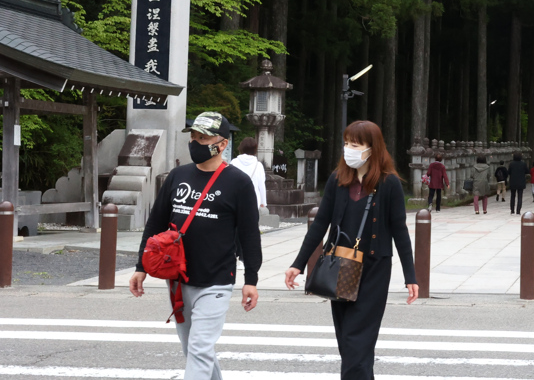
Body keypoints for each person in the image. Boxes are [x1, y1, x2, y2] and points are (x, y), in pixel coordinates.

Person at [129, 112, 262, 380]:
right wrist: (141, 265)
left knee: (200, 348)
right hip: (178, 279)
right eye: (193, 137)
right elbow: (155, 223)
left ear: (222, 144)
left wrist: (251, 279)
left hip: (216, 279)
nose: (195, 142)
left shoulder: (239, 183)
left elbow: (249, 235)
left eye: (203, 138)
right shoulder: (178, 176)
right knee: (193, 350)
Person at [284, 120, 418, 380]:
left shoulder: (389, 184)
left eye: (355, 145)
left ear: (372, 148)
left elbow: (400, 231)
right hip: (340, 266)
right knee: (349, 342)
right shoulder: (338, 179)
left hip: (374, 269)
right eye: (346, 144)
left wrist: (410, 276)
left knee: (358, 341)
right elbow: (320, 223)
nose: (349, 149)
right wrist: (297, 264)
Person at [230, 136, 266, 211]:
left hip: (235, 198)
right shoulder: (258, 165)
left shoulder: (234, 162)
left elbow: (229, 182)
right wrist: (263, 202)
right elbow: (261, 185)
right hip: (253, 199)